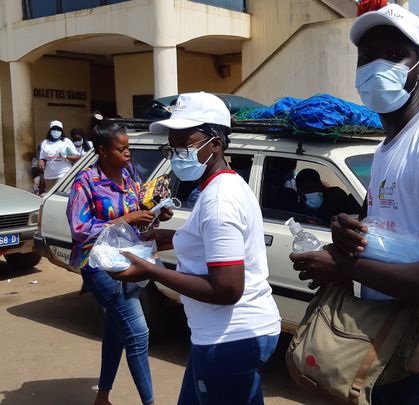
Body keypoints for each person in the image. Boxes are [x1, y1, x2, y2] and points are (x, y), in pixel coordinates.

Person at [289, 5, 419, 404]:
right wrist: (348, 232)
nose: (375, 67)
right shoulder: (388, 146)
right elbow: (391, 230)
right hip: (393, 348)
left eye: (392, 55)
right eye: (367, 58)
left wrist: (343, 266)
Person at [111, 92, 281, 404]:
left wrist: (150, 270)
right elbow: (209, 241)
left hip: (230, 338)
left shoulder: (219, 200)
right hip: (224, 335)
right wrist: (165, 239)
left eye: (185, 143)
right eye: (172, 146)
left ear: (215, 144)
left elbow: (227, 289)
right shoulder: (222, 185)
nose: (177, 153)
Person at [66, 121, 170, 405]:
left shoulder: (131, 175)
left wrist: (156, 212)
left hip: (130, 256)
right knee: (137, 332)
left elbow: (139, 215)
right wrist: (124, 219)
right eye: (121, 148)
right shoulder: (85, 182)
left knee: (116, 329)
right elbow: (79, 229)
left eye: (128, 147)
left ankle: (102, 397)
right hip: (97, 263)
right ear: (102, 151)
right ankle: (150, 402)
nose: (127, 153)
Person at [295, 168, 360, 223]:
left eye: (315, 188)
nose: (313, 192)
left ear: (320, 187)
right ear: (299, 191)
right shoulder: (296, 212)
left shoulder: (334, 202)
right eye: (308, 189)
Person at [39, 120, 80, 189]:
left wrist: (66, 156)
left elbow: (76, 157)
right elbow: (42, 158)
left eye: (58, 129)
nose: (56, 131)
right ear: (50, 131)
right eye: (54, 129)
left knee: (60, 195)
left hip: (63, 173)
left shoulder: (66, 142)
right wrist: (41, 162)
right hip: (49, 176)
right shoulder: (45, 143)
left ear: (61, 131)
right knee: (51, 197)